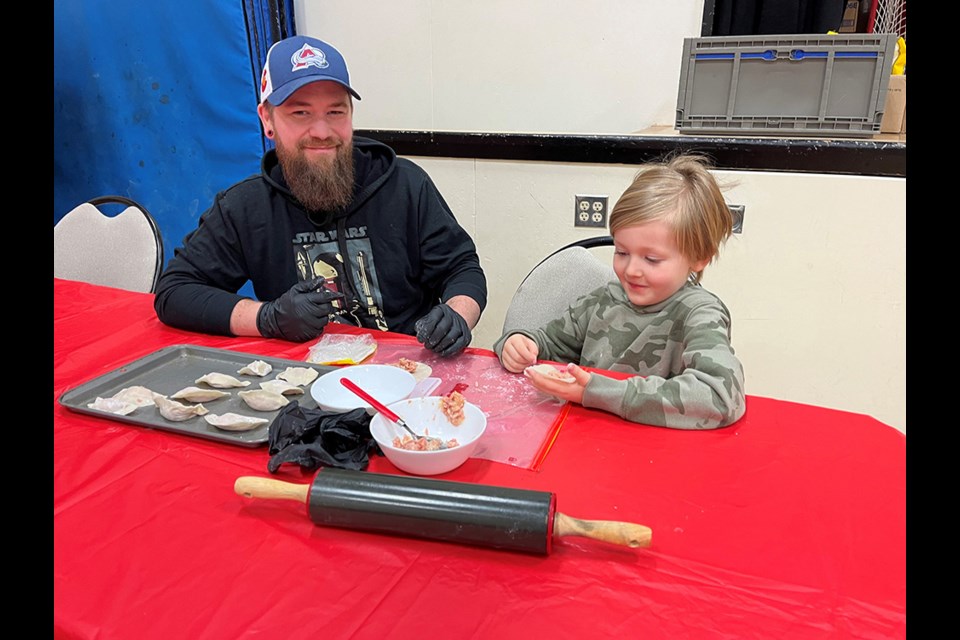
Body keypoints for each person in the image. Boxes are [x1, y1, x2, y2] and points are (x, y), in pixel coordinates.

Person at [154, 35, 486, 356]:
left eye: (335, 112)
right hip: (301, 379)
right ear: (267, 119)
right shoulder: (245, 207)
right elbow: (175, 293)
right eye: (301, 113)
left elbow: (462, 267)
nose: (322, 132)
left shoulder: (405, 184)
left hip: (407, 374)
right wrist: (268, 318)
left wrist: (458, 315)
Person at [493, 153, 745, 429]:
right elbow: (548, 344)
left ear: (699, 258)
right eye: (622, 252)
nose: (631, 270)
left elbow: (721, 396)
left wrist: (598, 392)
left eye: (651, 259)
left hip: (655, 449)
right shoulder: (602, 300)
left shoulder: (700, 313)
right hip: (586, 439)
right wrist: (517, 342)